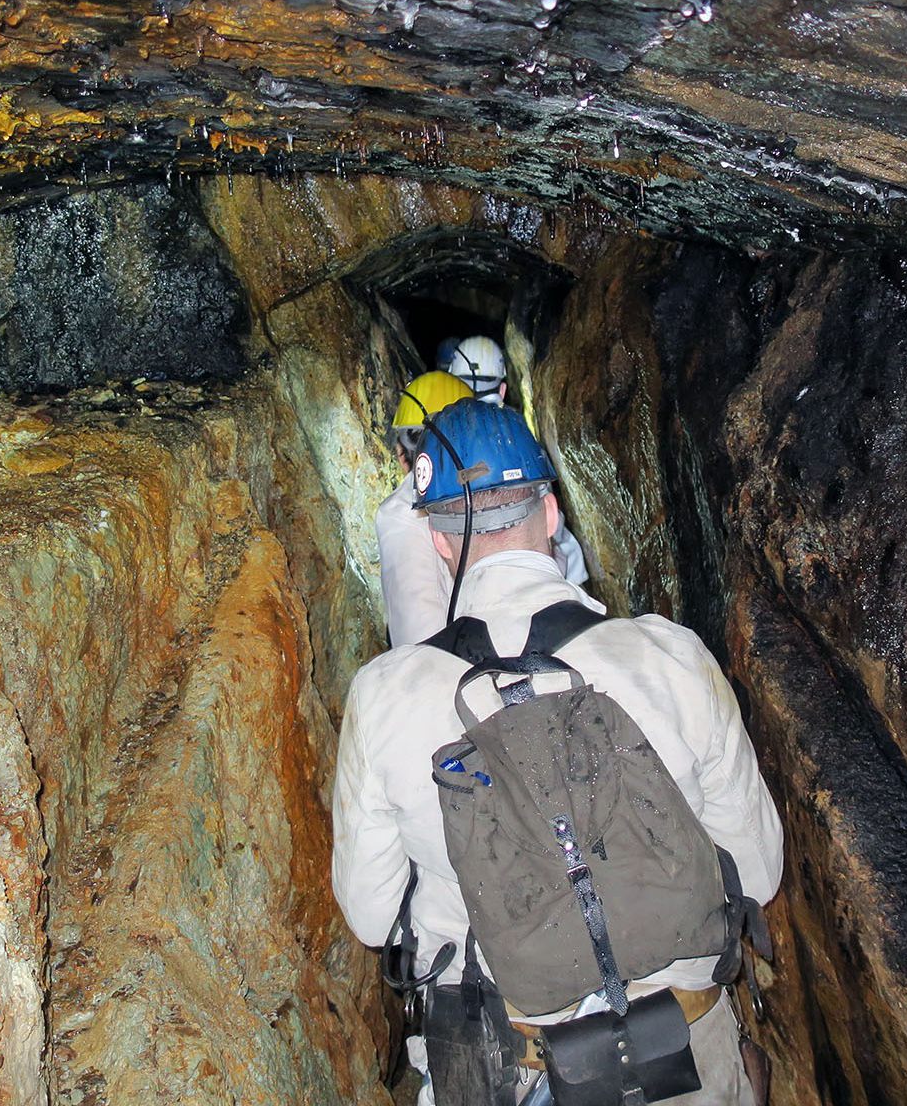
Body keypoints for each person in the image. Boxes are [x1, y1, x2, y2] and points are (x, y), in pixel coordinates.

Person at [335, 401, 783, 1106]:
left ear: (441, 544)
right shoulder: (672, 657)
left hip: (503, 1060)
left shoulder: (383, 697)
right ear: (550, 514)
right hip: (683, 1054)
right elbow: (757, 872)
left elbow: (370, 917)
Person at [379, 366, 588, 648]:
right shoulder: (516, 473)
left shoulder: (399, 516)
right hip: (517, 641)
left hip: (474, 658)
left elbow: (414, 634)